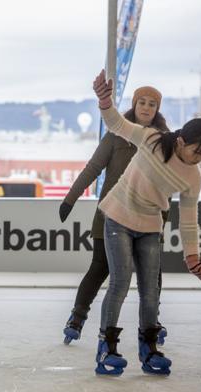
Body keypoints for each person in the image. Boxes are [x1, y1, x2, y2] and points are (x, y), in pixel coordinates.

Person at [92, 69, 201, 376]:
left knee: (151, 290)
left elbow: (188, 220)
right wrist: (104, 101)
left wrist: (193, 258)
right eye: (195, 152)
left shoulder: (193, 177)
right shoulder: (151, 139)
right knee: (121, 282)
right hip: (118, 216)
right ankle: (106, 347)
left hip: (149, 225)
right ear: (182, 141)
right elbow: (117, 124)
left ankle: (149, 349)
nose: (197, 159)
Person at [59, 85, 170, 345]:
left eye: (151, 104)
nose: (146, 108)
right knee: (101, 267)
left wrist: (164, 218)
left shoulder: (163, 141)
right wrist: (69, 199)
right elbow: (93, 168)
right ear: (134, 104)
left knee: (153, 274)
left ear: (157, 109)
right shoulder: (116, 134)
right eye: (141, 102)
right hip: (111, 214)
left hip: (146, 217)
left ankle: (152, 321)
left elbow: (168, 183)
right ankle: (77, 317)